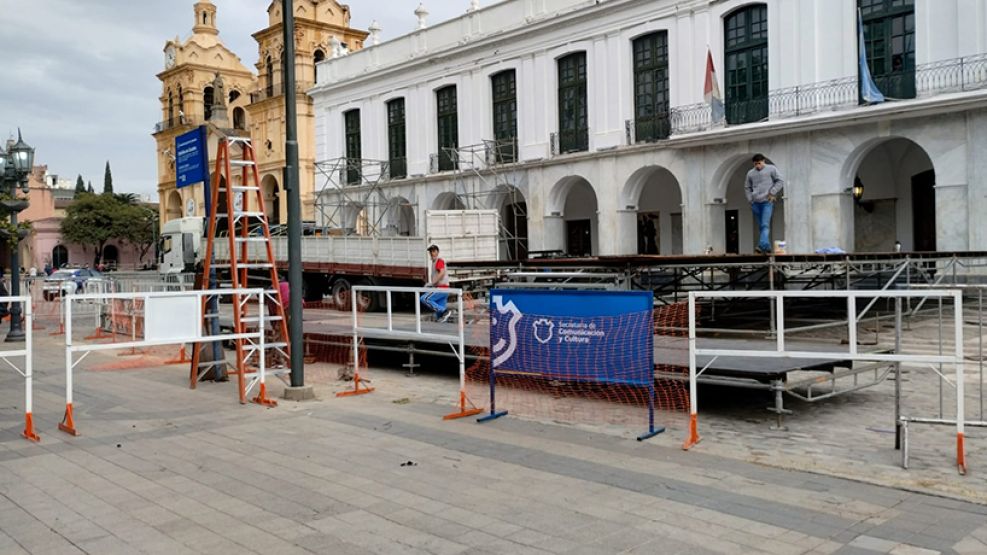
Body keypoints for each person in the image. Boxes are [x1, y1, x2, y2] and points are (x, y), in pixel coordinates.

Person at [745, 153, 785, 254]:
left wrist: (772, 192)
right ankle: (766, 247)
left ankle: (760, 246)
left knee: (765, 224)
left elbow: (780, 181)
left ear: (763, 161)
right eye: (755, 164)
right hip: (755, 203)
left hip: (767, 202)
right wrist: (750, 199)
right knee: (761, 226)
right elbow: (747, 187)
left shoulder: (771, 169)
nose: (757, 166)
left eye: (759, 163)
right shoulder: (750, 173)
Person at [421, 244, 451, 322]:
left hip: (442, 288)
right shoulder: (434, 262)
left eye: (434, 251)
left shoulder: (439, 261)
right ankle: (443, 329)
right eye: (431, 251)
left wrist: (433, 283)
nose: (432, 253)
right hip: (443, 289)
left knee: (424, 298)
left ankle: (445, 311)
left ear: (437, 252)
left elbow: (442, 273)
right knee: (440, 314)